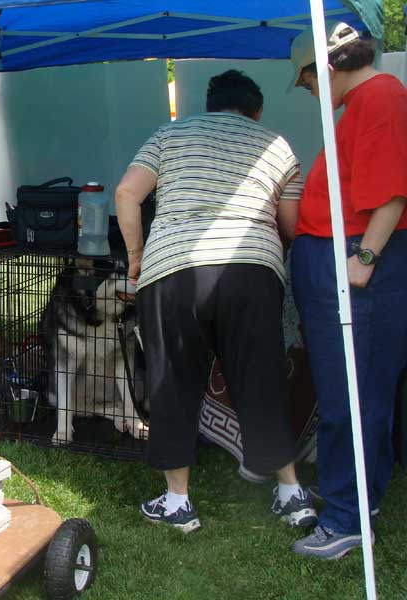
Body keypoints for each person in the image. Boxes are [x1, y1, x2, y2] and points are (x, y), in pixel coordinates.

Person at [115, 70, 314, 534]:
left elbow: (127, 193)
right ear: (256, 109)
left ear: (209, 105)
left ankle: (178, 502)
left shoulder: (170, 132)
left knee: (172, 380)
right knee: (260, 379)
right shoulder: (277, 145)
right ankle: (291, 493)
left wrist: (136, 258)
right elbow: (291, 223)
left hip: (173, 269)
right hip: (251, 271)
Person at [286, 21, 407, 559]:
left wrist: (363, 259)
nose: (312, 94)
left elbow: (394, 192)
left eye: (309, 82)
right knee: (353, 391)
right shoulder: (363, 104)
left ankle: (346, 518)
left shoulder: (380, 96)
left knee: (350, 395)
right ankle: (354, 497)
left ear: (327, 67)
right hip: (339, 254)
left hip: (356, 259)